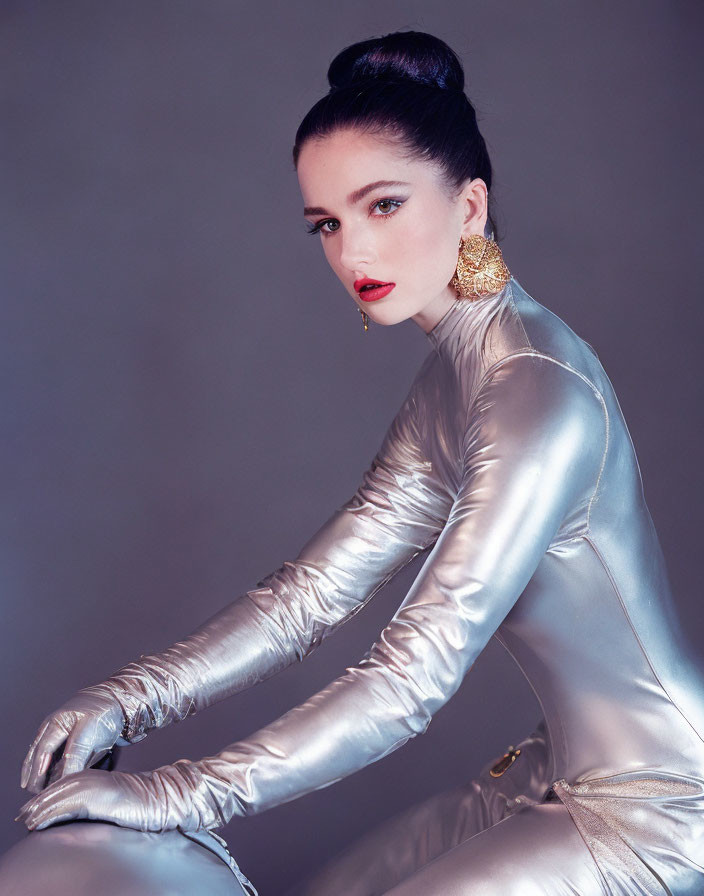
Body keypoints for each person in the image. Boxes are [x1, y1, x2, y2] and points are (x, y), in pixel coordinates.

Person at [15, 30, 704, 895]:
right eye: (327, 224)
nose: (352, 254)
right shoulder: (454, 378)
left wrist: (175, 792)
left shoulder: (538, 396)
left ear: (469, 207)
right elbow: (309, 599)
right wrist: (128, 698)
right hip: (545, 774)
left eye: (383, 206)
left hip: (656, 811)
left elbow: (412, 676)